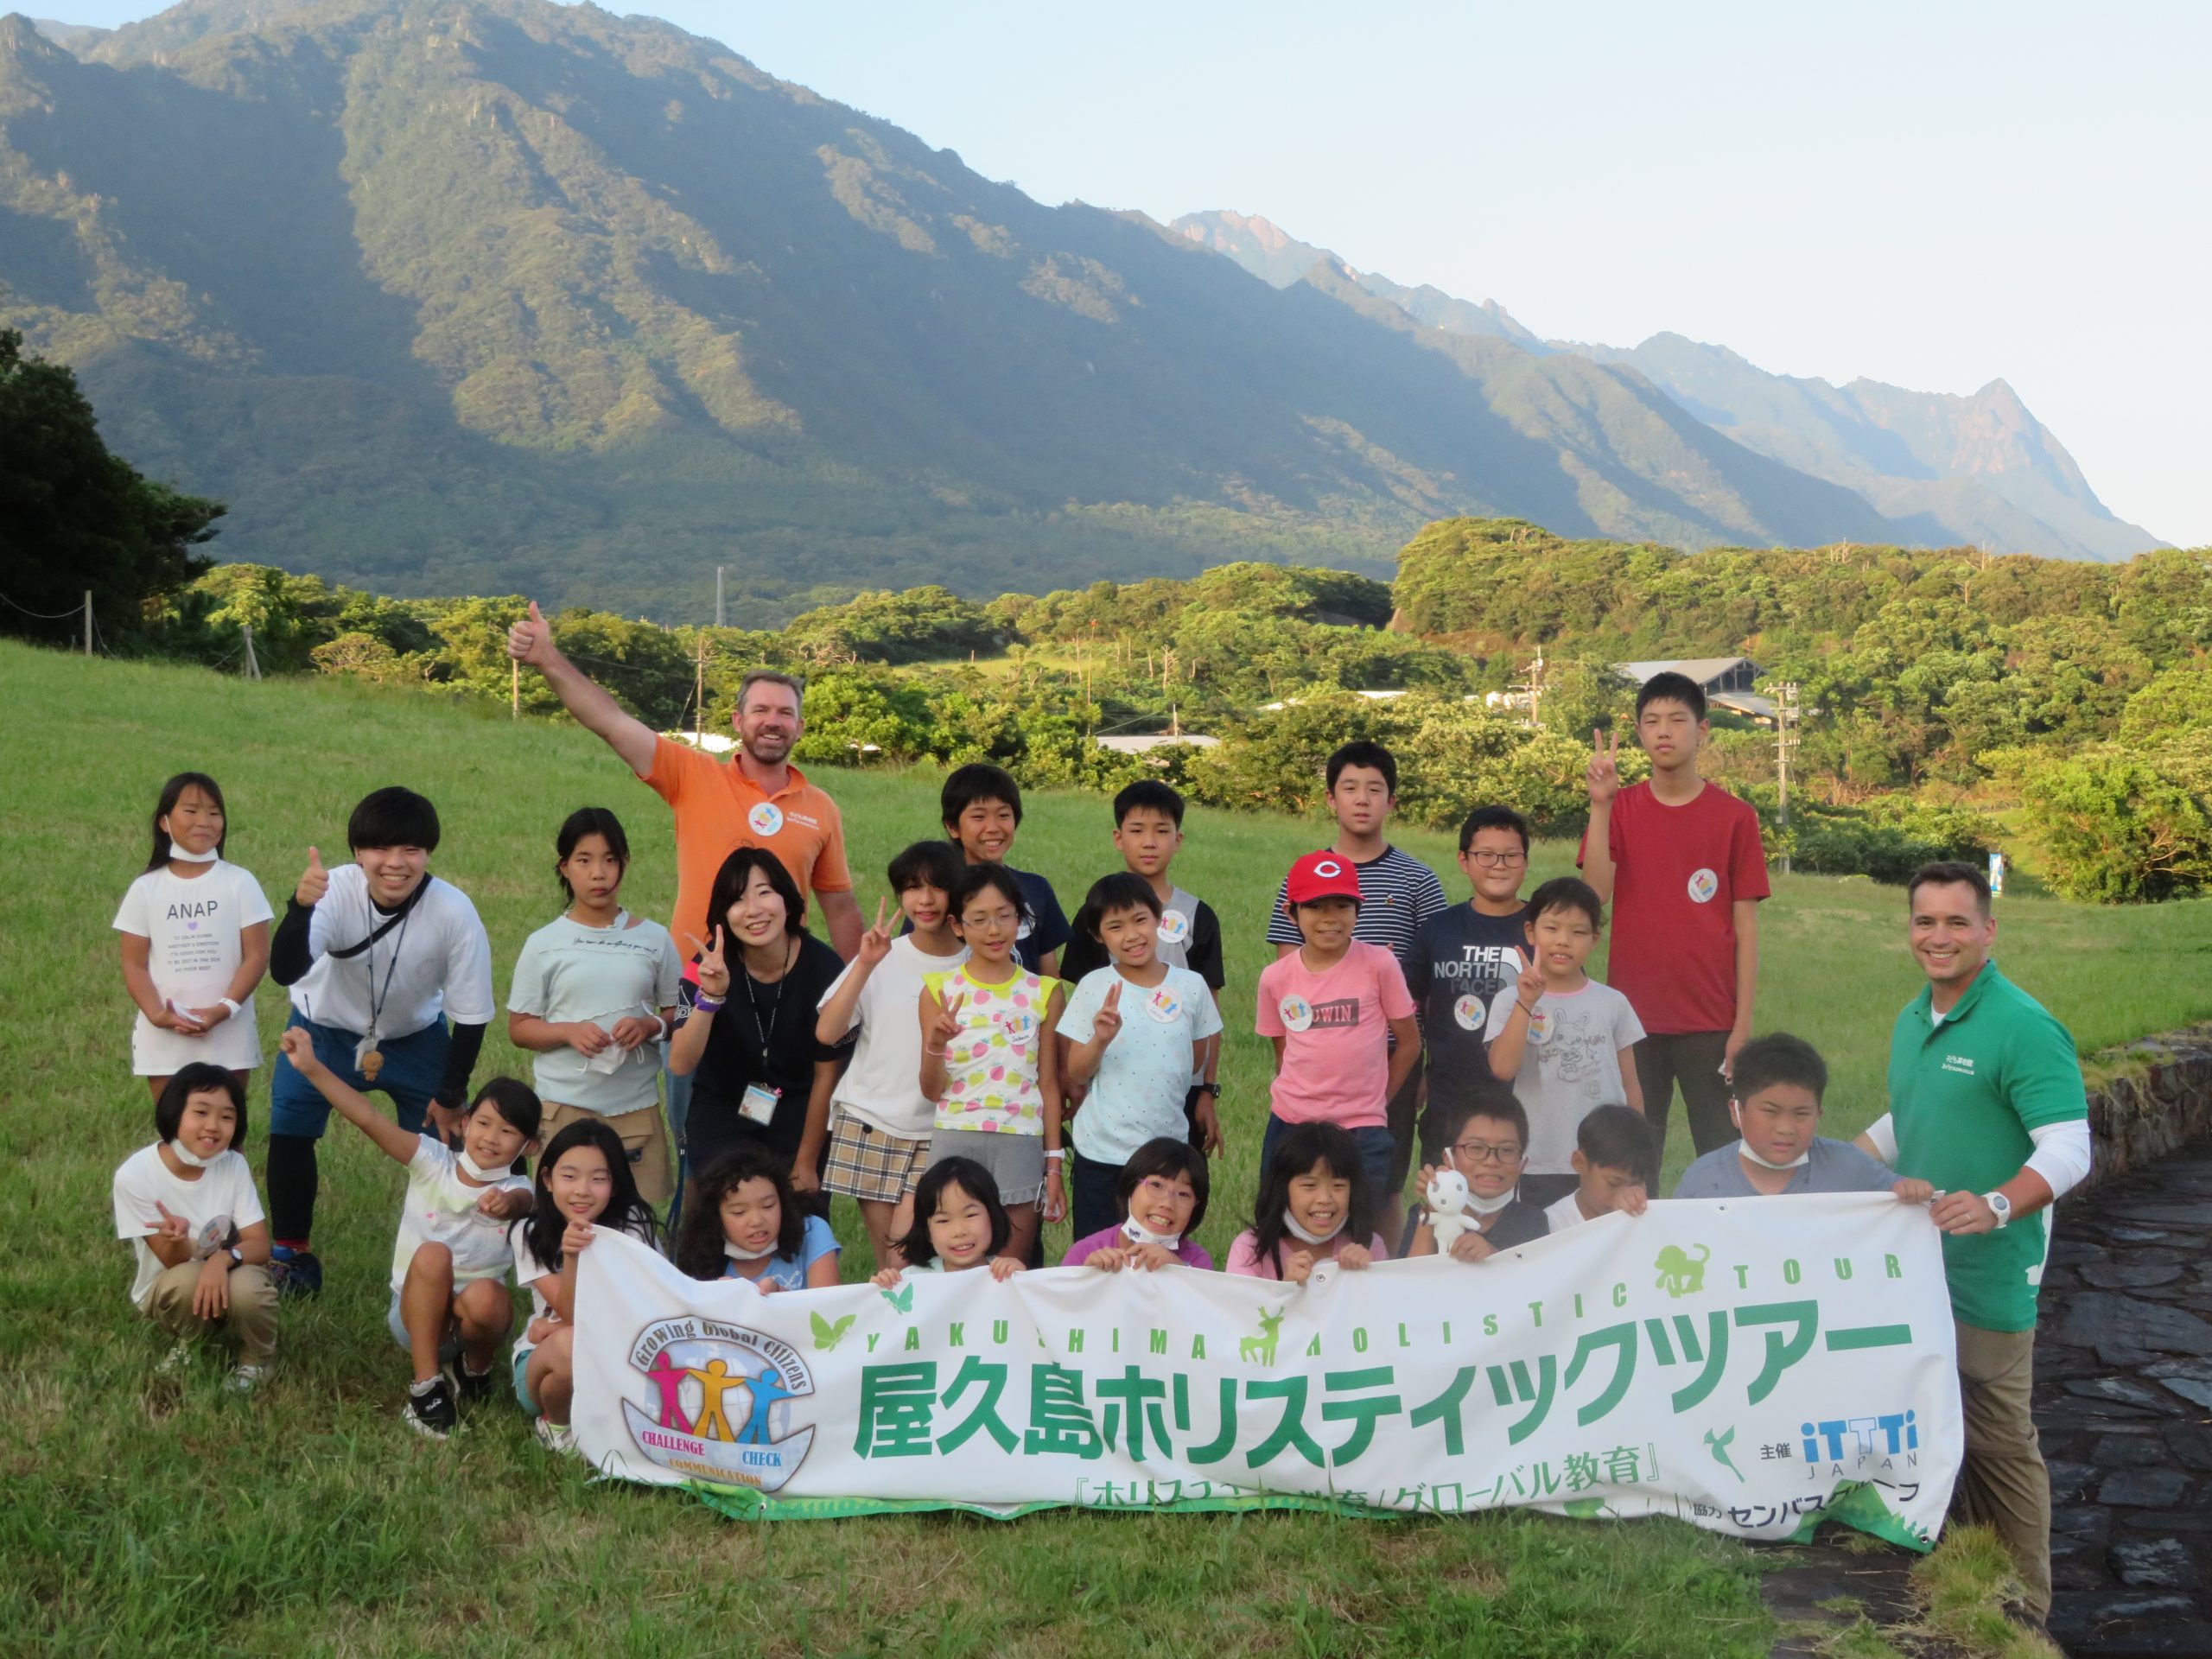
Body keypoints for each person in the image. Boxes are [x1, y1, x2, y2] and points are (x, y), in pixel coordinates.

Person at [1850, 861, 2091, 1629]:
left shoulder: (2022, 1025)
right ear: (1909, 930)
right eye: (1926, 921)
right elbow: (1910, 1118)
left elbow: (2070, 1147)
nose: (1939, 936)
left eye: (1958, 922)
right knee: (1926, 1431)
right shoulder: (1914, 1017)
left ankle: (2026, 1617)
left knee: (1997, 1444)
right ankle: (1959, 1585)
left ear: (1989, 930)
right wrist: (1838, 1167)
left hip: (1989, 1276)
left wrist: (1995, 1205)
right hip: (1911, 1274)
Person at [505, 612, 862, 958]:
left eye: (785, 713)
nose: (773, 721)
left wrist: (861, 985)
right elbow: (611, 722)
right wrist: (547, 658)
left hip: (780, 982)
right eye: (761, 711)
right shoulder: (692, 775)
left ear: (799, 727)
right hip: (693, 976)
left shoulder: (820, 808)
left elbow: (840, 908)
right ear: (738, 721)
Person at [264, 787, 497, 1297]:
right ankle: (290, 1252)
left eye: (411, 850)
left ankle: (458, 1252)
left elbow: (472, 1016)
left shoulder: (454, 911)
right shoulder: (333, 892)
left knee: (451, 1142)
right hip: (321, 1029)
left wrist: (452, 1092)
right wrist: (300, 908)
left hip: (415, 1036)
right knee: (289, 1129)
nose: (396, 863)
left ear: (428, 853)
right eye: (380, 849)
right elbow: (284, 968)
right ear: (357, 853)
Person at [278, 1027, 538, 1440]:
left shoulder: (516, 1189)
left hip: (471, 1319)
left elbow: (524, 1202)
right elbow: (366, 1116)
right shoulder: (431, 1160)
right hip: (413, 1317)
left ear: (529, 1147)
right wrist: (311, 1067)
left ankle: (474, 1370)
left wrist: (508, 1206)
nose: (491, 1138)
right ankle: (427, 1390)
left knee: (492, 1296)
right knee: (433, 1255)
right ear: (465, 1123)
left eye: (508, 1132)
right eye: (485, 1123)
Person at [1580, 674, 1770, 1160]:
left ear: (1703, 730)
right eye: (1652, 722)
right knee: (1633, 1160)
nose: (1664, 732)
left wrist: (1741, 1027)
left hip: (1710, 1022)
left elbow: (1746, 930)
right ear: (1640, 733)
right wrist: (1600, 806)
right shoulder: (1619, 808)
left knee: (1724, 1156)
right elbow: (1595, 894)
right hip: (1632, 1021)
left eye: (1677, 720)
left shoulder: (1735, 818)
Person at [1264, 741, 1448, 1224]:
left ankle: (1378, 1271)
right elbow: (1288, 986)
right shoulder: (1300, 878)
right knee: (1303, 1185)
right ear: (1331, 799)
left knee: (1379, 1184)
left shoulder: (1419, 879)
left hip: (1390, 1060)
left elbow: (1433, 978)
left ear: (1392, 801)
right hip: (1316, 1061)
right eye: (1350, 788)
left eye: (1375, 789)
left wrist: (1416, 1070)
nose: (1362, 799)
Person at [506, 809, 683, 1206]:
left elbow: (680, 1012)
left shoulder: (654, 939)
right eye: (584, 861)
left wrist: (651, 1026)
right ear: (565, 867)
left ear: (625, 864)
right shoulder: (544, 943)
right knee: (564, 1226)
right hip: (563, 1108)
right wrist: (568, 1032)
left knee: (637, 1230)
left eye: (610, 860)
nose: (599, 874)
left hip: (634, 1110)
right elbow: (520, 1027)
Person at [814, 841, 968, 1270]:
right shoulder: (883, 956)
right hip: (873, 1121)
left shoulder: (979, 962)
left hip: (945, 1127)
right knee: (893, 1265)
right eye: (912, 887)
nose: (925, 899)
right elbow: (827, 1032)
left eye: (938, 887)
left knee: (922, 1258)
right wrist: (864, 963)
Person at [1057, 781, 1228, 1152]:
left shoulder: (1198, 915)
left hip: (1177, 1085)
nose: (1149, 842)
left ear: (1178, 840)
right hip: (1109, 1086)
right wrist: (1071, 1079)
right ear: (1119, 838)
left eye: (1161, 831)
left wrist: (1207, 1091)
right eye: (1137, 831)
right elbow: (1077, 1006)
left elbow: (1209, 1013)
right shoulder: (1096, 913)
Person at [669, 849, 847, 1198]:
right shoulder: (704, 966)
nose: (753, 909)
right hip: (723, 1112)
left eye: (764, 892)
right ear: (723, 914)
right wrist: (711, 997)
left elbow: (827, 1075)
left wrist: (806, 1163)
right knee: (728, 1211)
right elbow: (680, 1062)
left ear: (787, 900)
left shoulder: (825, 969)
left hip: (800, 1117)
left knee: (798, 1228)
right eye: (737, 899)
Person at [1057, 874, 1223, 1238]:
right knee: (1098, 1253)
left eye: (1140, 920)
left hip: (1165, 1153)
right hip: (1102, 1150)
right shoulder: (1094, 986)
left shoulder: (1190, 986)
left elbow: (1195, 1060)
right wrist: (1100, 1040)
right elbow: (1076, 1071)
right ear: (1099, 936)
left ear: (1159, 918)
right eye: (1115, 927)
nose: (1131, 935)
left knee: (1158, 1252)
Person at [919, 863, 1068, 1263]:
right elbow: (932, 1090)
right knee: (954, 1264)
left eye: (1004, 916)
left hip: (1020, 1139)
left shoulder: (1045, 992)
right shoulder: (939, 991)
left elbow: (1049, 1084)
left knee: (1009, 1270)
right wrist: (936, 1044)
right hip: (955, 1133)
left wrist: (1054, 1167)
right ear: (957, 925)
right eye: (979, 919)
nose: (994, 930)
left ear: (1020, 921)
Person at [1256, 850, 1421, 1203]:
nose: (1330, 918)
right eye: (1316, 906)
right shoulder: (1275, 978)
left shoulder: (1379, 964)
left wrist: (1380, 1100)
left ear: (1357, 910)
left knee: (1357, 1233)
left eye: (1342, 906)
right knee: (1280, 1222)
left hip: (1362, 1128)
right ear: (1291, 912)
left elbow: (1409, 1043)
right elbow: (1282, 1050)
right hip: (1292, 1123)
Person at [110, 1065, 277, 1392]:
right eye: (201, 1112)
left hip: (228, 1272)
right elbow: (172, 1261)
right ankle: (192, 1344)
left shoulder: (233, 1164)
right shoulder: (135, 1176)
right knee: (187, 1280)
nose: (213, 1127)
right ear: (174, 1114)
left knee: (249, 1288)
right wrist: (175, 1239)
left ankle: (258, 1359)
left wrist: (221, 1260)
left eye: (227, 1117)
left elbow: (259, 1245)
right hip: (171, 1280)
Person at [1484, 876, 1645, 1209]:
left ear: (1594, 940)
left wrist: (1636, 1158)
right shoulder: (1509, 1000)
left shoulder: (1613, 1002)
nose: (1563, 941)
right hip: (1538, 1158)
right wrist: (1527, 1002)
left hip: (1606, 1161)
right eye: (1552, 928)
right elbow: (1502, 1068)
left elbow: (1630, 1086)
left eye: (1578, 932)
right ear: (1531, 932)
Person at [114, 772, 273, 1100]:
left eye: (215, 813)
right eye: (191, 811)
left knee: (227, 1135)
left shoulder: (240, 882)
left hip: (228, 1032)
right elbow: (134, 964)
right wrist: (158, 1015)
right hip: (164, 1036)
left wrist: (223, 1009)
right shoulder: (146, 888)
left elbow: (256, 956)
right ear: (164, 821)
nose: (205, 821)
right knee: (174, 1134)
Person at [511, 1118, 662, 1455]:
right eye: (569, 1176)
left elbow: (651, 1304)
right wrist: (572, 1256)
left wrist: (548, 1327)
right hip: (545, 1363)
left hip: (617, 1360)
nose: (582, 1190)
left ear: (616, 1185)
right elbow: (570, 1314)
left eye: (598, 1179)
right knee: (569, 1343)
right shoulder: (529, 1233)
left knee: (565, 1335)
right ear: (547, 1179)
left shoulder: (634, 1227)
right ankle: (558, 1427)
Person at [1405, 805, 1533, 1167]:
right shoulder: (1438, 928)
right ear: (1463, 860)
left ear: (1525, 861)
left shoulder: (1544, 926)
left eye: (1511, 856)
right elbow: (1408, 1004)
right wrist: (1419, 1073)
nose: (1499, 865)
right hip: (1449, 1097)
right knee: (1444, 1205)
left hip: (1526, 1097)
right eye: (1485, 855)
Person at [1675, 1033, 1932, 1201]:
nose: (1786, 1128)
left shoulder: (1851, 1169)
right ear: (1737, 1112)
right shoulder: (1703, 1183)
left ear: (1819, 1113)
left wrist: (1909, 1192)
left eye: (1801, 1114)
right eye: (1770, 1112)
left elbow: (1901, 1203)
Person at [938, 763, 1069, 977]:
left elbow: (1050, 979)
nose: (993, 827)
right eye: (979, 817)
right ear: (953, 827)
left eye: (1003, 815)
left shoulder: (1036, 889)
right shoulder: (937, 893)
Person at [1227, 1121, 1389, 1281]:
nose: (1325, 1199)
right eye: (1310, 1185)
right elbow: (1240, 1306)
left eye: (1338, 1185)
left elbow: (1390, 1304)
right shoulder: (1250, 1249)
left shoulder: (1370, 1246)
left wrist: (1369, 1278)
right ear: (1282, 1189)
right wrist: (1286, 1289)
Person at [1402, 1084, 1549, 1258]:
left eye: (1507, 1150)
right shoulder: (1424, 1214)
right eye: (1476, 1148)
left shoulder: (1532, 1221)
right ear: (1449, 1158)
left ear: (1522, 1165)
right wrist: (1433, 1208)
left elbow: (1536, 1280)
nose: (1491, 1161)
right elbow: (1412, 1279)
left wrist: (1494, 1257)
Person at [672, 1146, 842, 1292]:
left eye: (768, 1206)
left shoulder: (811, 1231)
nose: (757, 1221)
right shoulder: (700, 1257)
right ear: (715, 1217)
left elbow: (829, 1313)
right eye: (739, 1212)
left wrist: (780, 1297)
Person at [1063, 1135, 1215, 1272]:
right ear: (1130, 1187)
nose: (1167, 1204)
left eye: (1183, 1194)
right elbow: (1061, 1302)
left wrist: (1180, 1273)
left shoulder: (1197, 1263)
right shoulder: (1083, 1254)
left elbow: (1201, 1302)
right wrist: (1084, 1278)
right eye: (1156, 1185)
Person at [871, 1158, 1026, 1283]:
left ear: (993, 1217)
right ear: (927, 1231)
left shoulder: (1007, 1274)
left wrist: (1023, 1280)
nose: (959, 1231)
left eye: (971, 1215)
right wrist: (881, 1292)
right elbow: (885, 1316)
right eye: (943, 1220)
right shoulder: (912, 1280)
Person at [1541, 1104, 1658, 1233]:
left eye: (1637, 1184)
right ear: (1579, 1163)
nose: (1626, 1195)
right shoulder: (1551, 1226)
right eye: (1614, 1183)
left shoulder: (1650, 1222)